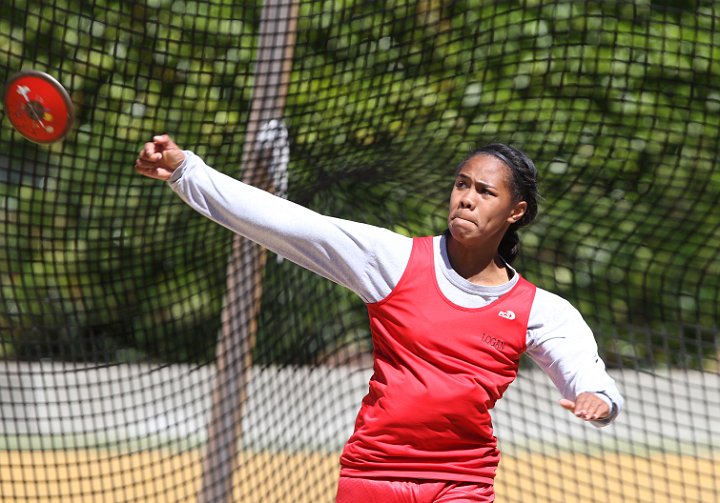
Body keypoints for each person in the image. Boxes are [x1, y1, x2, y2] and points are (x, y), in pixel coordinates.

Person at [135, 127, 624, 503]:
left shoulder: (540, 309)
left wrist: (597, 400)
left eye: (484, 191)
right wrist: (186, 172)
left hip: (461, 482)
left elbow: (585, 375)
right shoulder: (394, 261)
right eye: (461, 184)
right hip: (372, 475)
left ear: (515, 211)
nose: (466, 198)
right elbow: (288, 223)